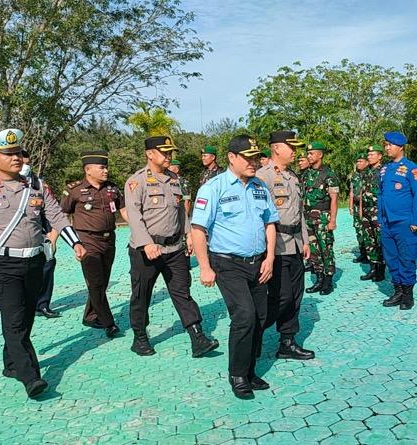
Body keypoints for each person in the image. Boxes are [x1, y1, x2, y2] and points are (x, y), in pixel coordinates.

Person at [0, 129, 86, 398]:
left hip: (34, 263)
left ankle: (11, 364)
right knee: (15, 319)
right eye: (7, 154)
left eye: (17, 152)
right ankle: (31, 377)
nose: (15, 158)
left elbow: (56, 216)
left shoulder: (37, 187)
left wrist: (75, 242)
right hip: (1, 265)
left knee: (25, 316)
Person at [190, 134, 279, 399]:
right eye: (247, 158)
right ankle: (238, 375)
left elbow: (270, 223)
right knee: (244, 316)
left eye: (255, 157)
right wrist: (204, 267)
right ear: (231, 157)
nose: (253, 162)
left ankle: (250, 370)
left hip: (258, 262)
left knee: (261, 317)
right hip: (227, 264)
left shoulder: (260, 187)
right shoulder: (213, 188)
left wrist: (270, 257)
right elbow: (197, 229)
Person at [125, 136, 219, 357]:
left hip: (174, 249)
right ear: (150, 154)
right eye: (164, 152)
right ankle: (139, 337)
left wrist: (188, 235)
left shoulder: (175, 179)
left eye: (170, 153)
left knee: (182, 292)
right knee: (141, 295)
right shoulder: (136, 181)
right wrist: (147, 243)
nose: (169, 156)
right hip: (145, 251)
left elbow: (180, 212)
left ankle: (198, 337)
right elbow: (134, 216)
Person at [257, 130, 315, 361]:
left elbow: (298, 211)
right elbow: (258, 216)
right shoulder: (262, 177)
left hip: (294, 245)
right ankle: (254, 332)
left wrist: (305, 239)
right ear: (276, 148)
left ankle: (287, 342)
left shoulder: (292, 176)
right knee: (281, 298)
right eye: (291, 147)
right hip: (275, 247)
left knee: (295, 296)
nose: (295, 151)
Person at [60, 150, 128, 337]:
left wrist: (139, 229)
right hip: (87, 240)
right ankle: (109, 323)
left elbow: (123, 210)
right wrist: (64, 240)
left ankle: (90, 315)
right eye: (102, 167)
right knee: (95, 282)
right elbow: (61, 215)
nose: (106, 171)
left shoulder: (112, 188)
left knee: (102, 281)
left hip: (109, 240)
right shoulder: (73, 190)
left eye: (106, 167)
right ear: (88, 170)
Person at [378, 131, 417, 310]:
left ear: (400, 147)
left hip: (405, 222)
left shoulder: (412, 169)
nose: (387, 148)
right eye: (386, 145)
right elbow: (380, 194)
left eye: (390, 145)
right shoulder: (384, 169)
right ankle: (397, 290)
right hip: (387, 222)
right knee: (391, 258)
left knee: (407, 257)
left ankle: (407, 294)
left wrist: (416, 221)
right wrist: (380, 218)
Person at [20, 150, 61, 319]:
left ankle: (43, 304)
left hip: (43, 235)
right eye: (23, 162)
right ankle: (24, 305)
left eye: (28, 163)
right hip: (19, 239)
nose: (25, 166)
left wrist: (53, 236)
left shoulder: (40, 185)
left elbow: (53, 213)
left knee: (47, 268)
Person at [303, 141, 339, 295]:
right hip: (307, 218)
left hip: (323, 218)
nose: (308, 156)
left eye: (311, 153)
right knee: (313, 250)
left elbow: (334, 200)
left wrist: (332, 221)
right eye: (308, 154)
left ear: (320, 155)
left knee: (325, 248)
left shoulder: (329, 175)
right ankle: (319, 278)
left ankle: (328, 280)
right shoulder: (306, 174)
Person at [359, 145, 386, 282]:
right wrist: (360, 211)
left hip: (378, 210)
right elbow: (361, 193)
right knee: (369, 241)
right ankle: (373, 268)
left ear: (380, 156)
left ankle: (381, 269)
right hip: (366, 211)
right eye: (368, 155)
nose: (369, 157)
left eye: (372, 155)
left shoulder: (384, 171)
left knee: (380, 240)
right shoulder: (365, 173)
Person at [349, 153, 369, 264]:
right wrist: (350, 206)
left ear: (366, 162)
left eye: (361, 161)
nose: (358, 164)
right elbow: (352, 191)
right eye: (357, 161)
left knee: (366, 231)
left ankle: (369, 254)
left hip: (366, 207)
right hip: (356, 206)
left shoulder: (368, 174)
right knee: (358, 230)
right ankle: (363, 253)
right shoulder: (355, 175)